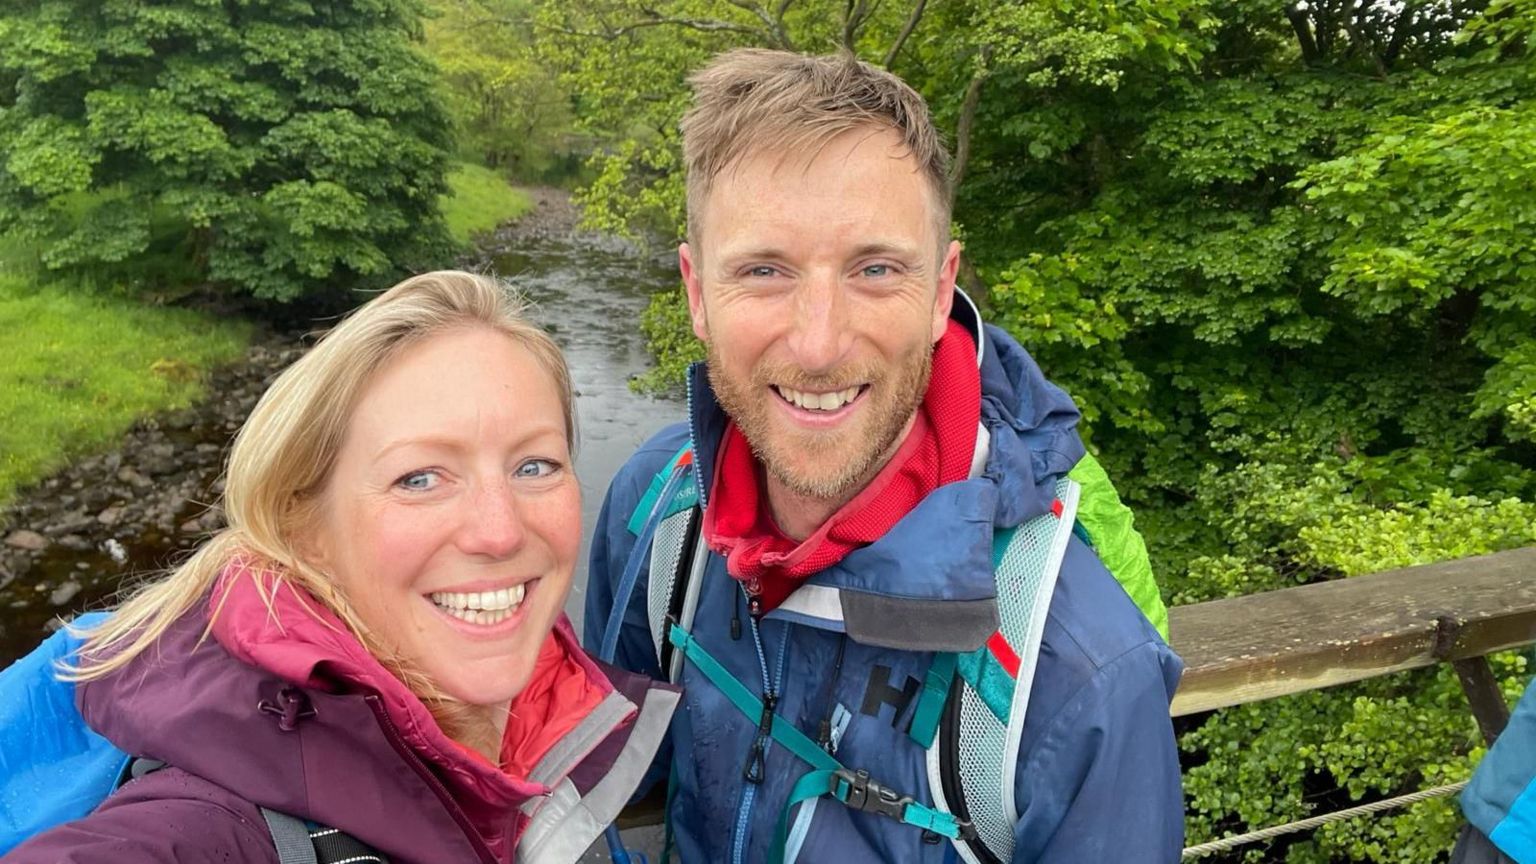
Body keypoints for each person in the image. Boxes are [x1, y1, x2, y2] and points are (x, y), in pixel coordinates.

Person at [586, 50, 1184, 863]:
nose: (820, 342)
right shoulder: (655, 513)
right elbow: (596, 783)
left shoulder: (1081, 677)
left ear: (941, 292)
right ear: (696, 293)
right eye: (764, 270)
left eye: (875, 269)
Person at [3, 271, 678, 863]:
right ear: (306, 530)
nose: (501, 531)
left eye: (535, 465)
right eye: (419, 478)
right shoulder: (208, 828)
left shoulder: (539, 725)